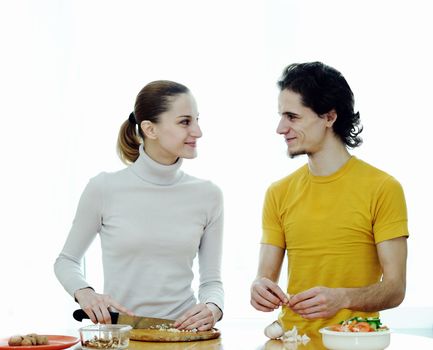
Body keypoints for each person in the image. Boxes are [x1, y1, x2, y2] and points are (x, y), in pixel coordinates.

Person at [250, 62, 408, 334]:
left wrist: (344, 298)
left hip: (352, 341)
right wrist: (259, 289)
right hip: (290, 340)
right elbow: (265, 277)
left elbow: (395, 289)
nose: (280, 128)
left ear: (329, 117)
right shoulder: (278, 192)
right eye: (281, 116)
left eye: (292, 116)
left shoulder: (383, 188)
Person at [54, 80, 224, 331]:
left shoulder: (208, 195)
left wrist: (212, 308)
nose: (198, 131)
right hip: (120, 337)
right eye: (185, 121)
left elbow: (212, 282)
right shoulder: (103, 188)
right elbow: (66, 261)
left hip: (183, 338)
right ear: (150, 129)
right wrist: (85, 293)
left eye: (197, 120)